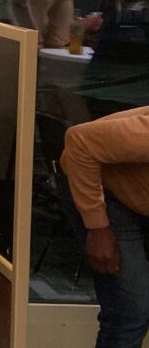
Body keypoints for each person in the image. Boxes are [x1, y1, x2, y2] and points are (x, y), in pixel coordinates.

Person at [61, 106, 149, 348]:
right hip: (101, 187)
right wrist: (97, 226)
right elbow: (79, 140)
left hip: (138, 191)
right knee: (131, 313)